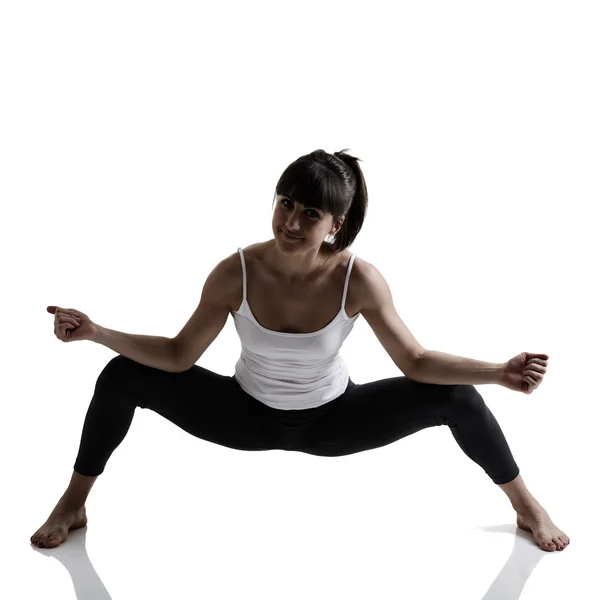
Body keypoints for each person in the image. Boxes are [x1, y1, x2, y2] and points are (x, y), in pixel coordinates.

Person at [31, 148, 569, 552]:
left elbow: (416, 363)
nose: (291, 222)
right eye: (285, 204)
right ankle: (74, 503)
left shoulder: (359, 278)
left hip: (334, 419)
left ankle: (526, 507)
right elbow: (177, 356)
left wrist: (498, 372)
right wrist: (96, 332)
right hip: (245, 414)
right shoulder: (234, 271)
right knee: (122, 374)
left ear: (336, 224)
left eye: (309, 214)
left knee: (456, 397)